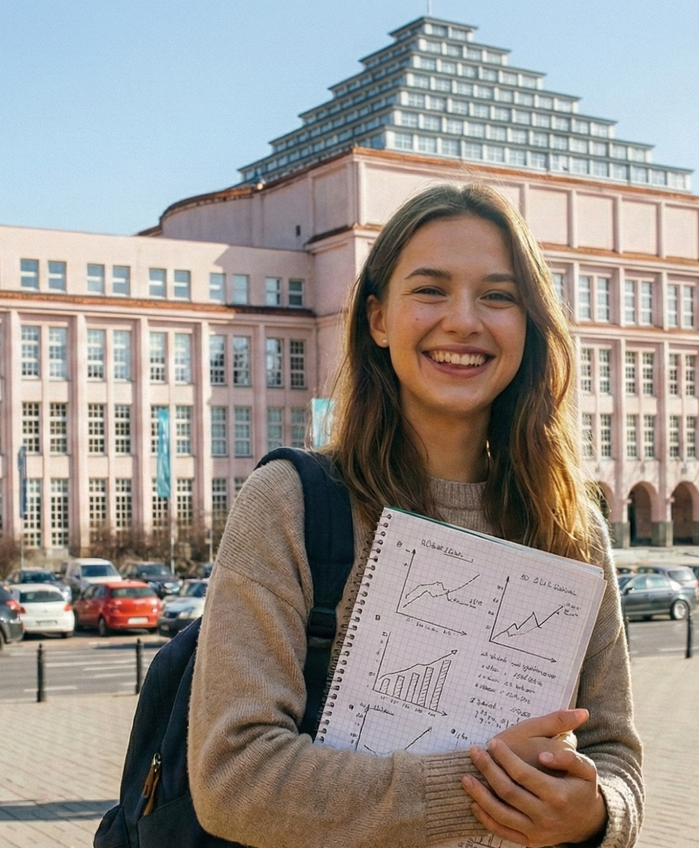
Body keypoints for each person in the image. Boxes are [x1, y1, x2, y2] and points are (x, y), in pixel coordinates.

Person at [189, 184, 641, 848]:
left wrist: (598, 814)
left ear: (530, 324)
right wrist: (482, 792)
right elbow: (233, 780)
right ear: (377, 319)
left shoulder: (572, 526)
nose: (463, 321)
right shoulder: (290, 504)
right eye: (430, 290)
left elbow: (615, 755)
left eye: (498, 295)